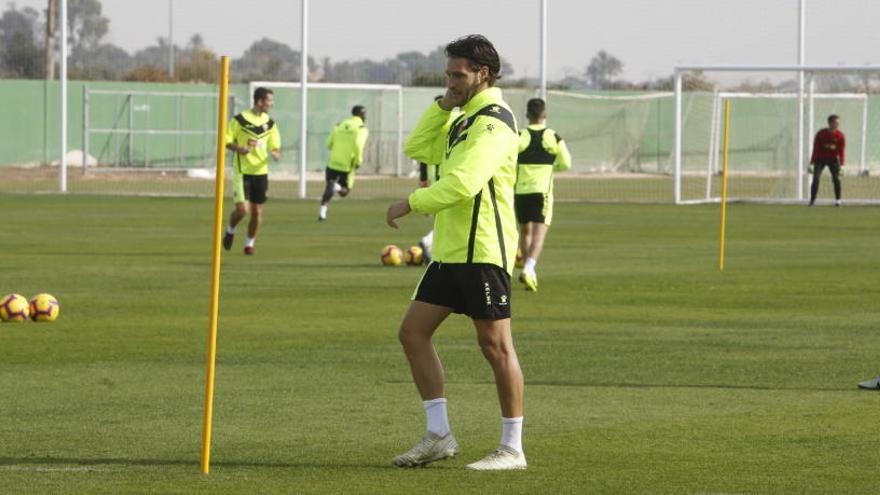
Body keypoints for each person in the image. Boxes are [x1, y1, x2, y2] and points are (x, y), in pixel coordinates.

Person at [386, 34, 526, 471]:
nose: (451, 81)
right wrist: (443, 105)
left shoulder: (493, 122)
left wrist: (411, 202)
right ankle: (438, 435)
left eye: (458, 75)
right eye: (448, 74)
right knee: (412, 334)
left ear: (483, 74)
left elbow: (465, 182)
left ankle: (512, 448)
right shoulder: (463, 117)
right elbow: (418, 148)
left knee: (495, 346)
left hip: (483, 248)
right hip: (450, 251)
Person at [514, 97, 571, 292]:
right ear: (544, 115)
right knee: (539, 234)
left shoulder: (519, 135)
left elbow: (510, 158)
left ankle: (529, 270)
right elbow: (566, 163)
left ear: (527, 115)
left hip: (521, 191)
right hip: (542, 192)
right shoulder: (553, 136)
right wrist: (550, 166)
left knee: (526, 232)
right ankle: (529, 269)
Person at [223, 87, 281, 255]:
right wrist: (239, 148)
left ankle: (249, 244)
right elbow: (226, 141)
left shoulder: (270, 123)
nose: (272, 104)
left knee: (257, 211)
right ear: (260, 101)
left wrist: (275, 154)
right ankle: (230, 230)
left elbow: (276, 148)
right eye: (269, 100)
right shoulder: (240, 119)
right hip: (242, 171)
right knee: (242, 210)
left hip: (261, 172)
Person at [414, 95, 462, 264]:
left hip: (433, 177)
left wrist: (423, 179)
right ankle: (429, 243)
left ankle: (435, 252)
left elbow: (423, 152)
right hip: (450, 176)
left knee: (443, 219)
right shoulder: (459, 121)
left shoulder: (432, 123)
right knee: (450, 220)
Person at [319, 106, 369, 221]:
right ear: (362, 115)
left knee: (328, 189)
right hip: (347, 164)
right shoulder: (362, 128)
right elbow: (358, 144)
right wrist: (358, 160)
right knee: (344, 191)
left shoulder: (339, 124)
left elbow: (329, 143)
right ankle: (336, 186)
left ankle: (322, 213)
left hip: (333, 162)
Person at [809, 114, 845, 207]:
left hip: (833, 160)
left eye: (838, 122)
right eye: (836, 122)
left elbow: (841, 151)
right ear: (830, 123)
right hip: (820, 159)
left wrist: (842, 165)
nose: (838, 124)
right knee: (816, 178)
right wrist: (812, 163)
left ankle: (838, 200)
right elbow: (815, 149)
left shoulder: (840, 136)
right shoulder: (820, 134)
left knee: (836, 179)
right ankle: (812, 200)